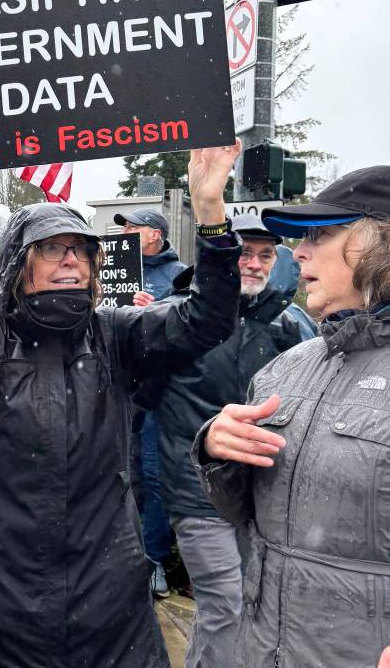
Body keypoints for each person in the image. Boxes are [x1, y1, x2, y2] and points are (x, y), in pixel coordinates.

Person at [0, 137, 242, 667]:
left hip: (106, 594)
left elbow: (207, 318)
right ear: (20, 262)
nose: (71, 259)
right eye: (52, 247)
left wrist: (209, 209)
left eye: (81, 249)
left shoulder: (116, 335)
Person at [196, 165, 390, 668]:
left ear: (380, 244)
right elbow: (241, 513)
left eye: (321, 235)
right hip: (264, 648)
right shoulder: (290, 365)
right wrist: (217, 448)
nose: (297, 252)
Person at [153, 213, 311, 668]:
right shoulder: (180, 318)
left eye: (265, 255)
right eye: (245, 252)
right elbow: (135, 398)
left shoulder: (291, 324)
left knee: (237, 608)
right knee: (226, 603)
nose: (255, 264)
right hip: (196, 494)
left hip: (262, 493)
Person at [117, 207, 187, 597]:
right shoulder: (110, 270)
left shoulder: (179, 276)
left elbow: (191, 332)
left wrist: (154, 313)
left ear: (156, 235)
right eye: (123, 226)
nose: (125, 232)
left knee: (154, 476)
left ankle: (154, 559)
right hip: (120, 392)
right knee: (124, 477)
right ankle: (122, 552)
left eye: (132, 227)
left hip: (161, 397)